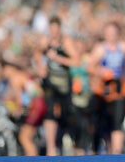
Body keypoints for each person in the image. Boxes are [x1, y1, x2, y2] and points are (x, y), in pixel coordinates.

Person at [34, 16, 80, 156]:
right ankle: (51, 148)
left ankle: (69, 141)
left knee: (67, 113)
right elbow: (37, 53)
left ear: (60, 29)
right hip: (50, 83)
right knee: (49, 111)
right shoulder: (45, 41)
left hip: (64, 84)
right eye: (51, 30)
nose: (54, 32)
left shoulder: (66, 42)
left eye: (56, 30)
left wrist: (58, 58)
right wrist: (40, 67)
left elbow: (76, 61)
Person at [88, 22, 125, 154]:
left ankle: (117, 152)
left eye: (113, 33)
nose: (111, 36)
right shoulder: (100, 48)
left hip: (120, 89)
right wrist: (101, 71)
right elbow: (90, 66)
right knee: (101, 123)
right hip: (104, 90)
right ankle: (100, 150)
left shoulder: (124, 47)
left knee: (118, 121)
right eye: (108, 33)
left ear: (118, 34)